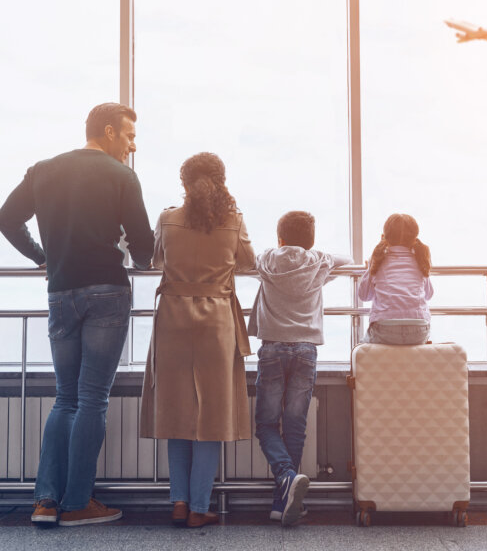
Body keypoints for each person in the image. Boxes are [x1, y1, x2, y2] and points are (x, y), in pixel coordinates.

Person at [0, 103, 154, 526]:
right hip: (107, 291)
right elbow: (144, 248)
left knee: (64, 398)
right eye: (128, 136)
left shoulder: (43, 170)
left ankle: (45, 502)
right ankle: (78, 502)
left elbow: (6, 218)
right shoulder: (122, 176)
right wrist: (140, 257)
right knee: (91, 399)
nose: (132, 144)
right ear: (108, 131)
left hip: (61, 293)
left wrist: (41, 257)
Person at [140, 152, 255, 528]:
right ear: (221, 181)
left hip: (172, 317)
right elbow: (249, 263)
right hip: (216, 320)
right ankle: (199, 507)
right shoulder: (233, 221)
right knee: (211, 416)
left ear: (184, 183)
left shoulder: (168, 218)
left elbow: (156, 259)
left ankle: (178, 502)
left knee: (176, 412)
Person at [248, 211, 353, 525]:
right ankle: (284, 500)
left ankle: (285, 481)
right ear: (311, 241)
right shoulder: (318, 262)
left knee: (266, 425)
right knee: (294, 426)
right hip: (306, 349)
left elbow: (243, 261)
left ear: (279, 239)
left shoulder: (267, 260)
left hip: (272, 349)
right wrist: (317, 254)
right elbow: (347, 259)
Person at [358, 213, 433, 344]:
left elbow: (364, 296)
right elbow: (429, 294)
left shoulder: (378, 260)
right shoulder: (420, 260)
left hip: (384, 330)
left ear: (385, 237)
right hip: (418, 330)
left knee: (361, 344)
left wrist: (369, 268)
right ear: (414, 239)